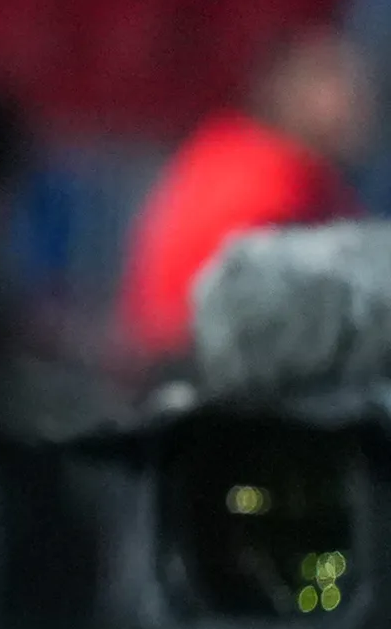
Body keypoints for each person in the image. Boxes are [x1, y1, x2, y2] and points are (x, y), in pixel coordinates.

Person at [115, 30, 374, 373]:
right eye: (334, 88)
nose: (355, 105)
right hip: (196, 370)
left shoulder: (314, 178)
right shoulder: (256, 173)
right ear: (288, 94)